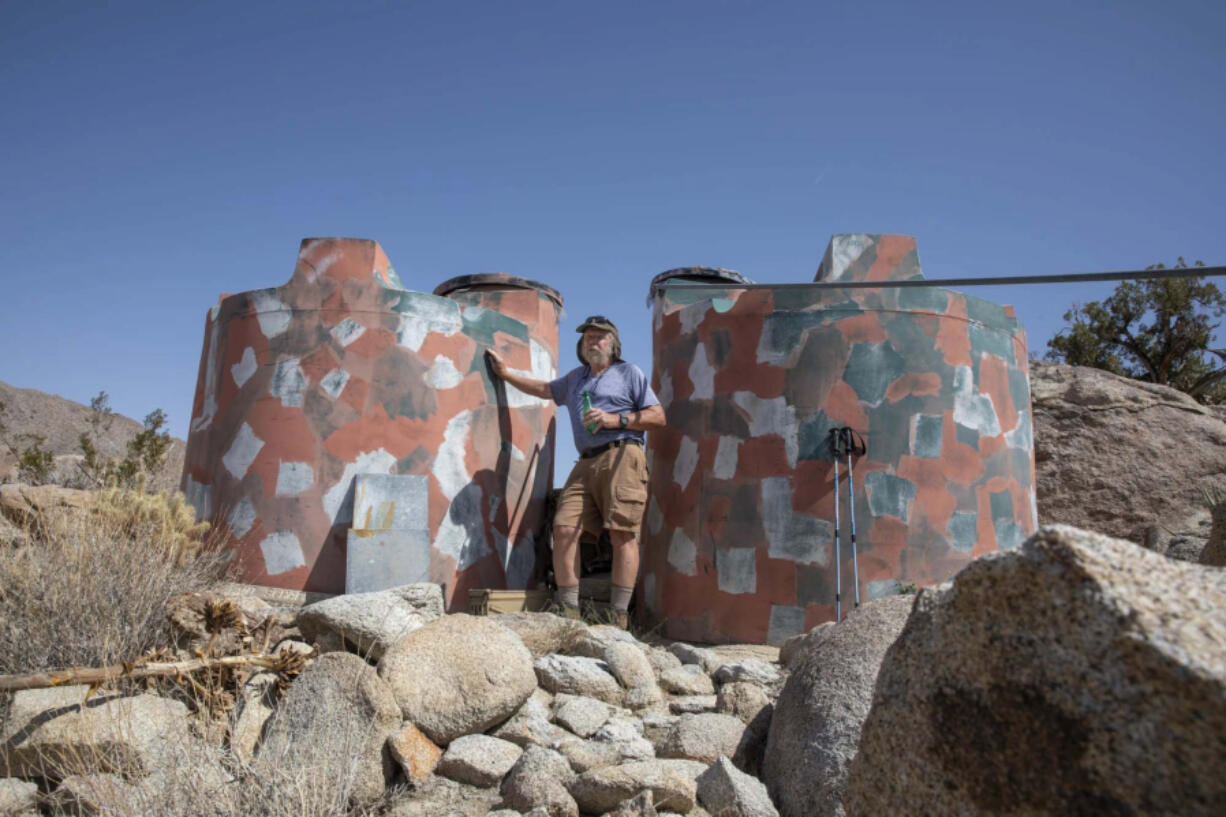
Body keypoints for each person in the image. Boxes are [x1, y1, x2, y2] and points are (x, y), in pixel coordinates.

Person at [487, 315, 665, 627]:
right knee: (564, 528)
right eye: (588, 337)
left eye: (600, 336)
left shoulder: (628, 372)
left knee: (622, 533)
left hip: (622, 453)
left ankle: (618, 617)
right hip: (585, 462)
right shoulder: (574, 379)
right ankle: (569, 613)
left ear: (613, 343)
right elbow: (543, 388)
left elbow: (658, 416)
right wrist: (505, 375)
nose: (592, 341)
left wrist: (616, 420)